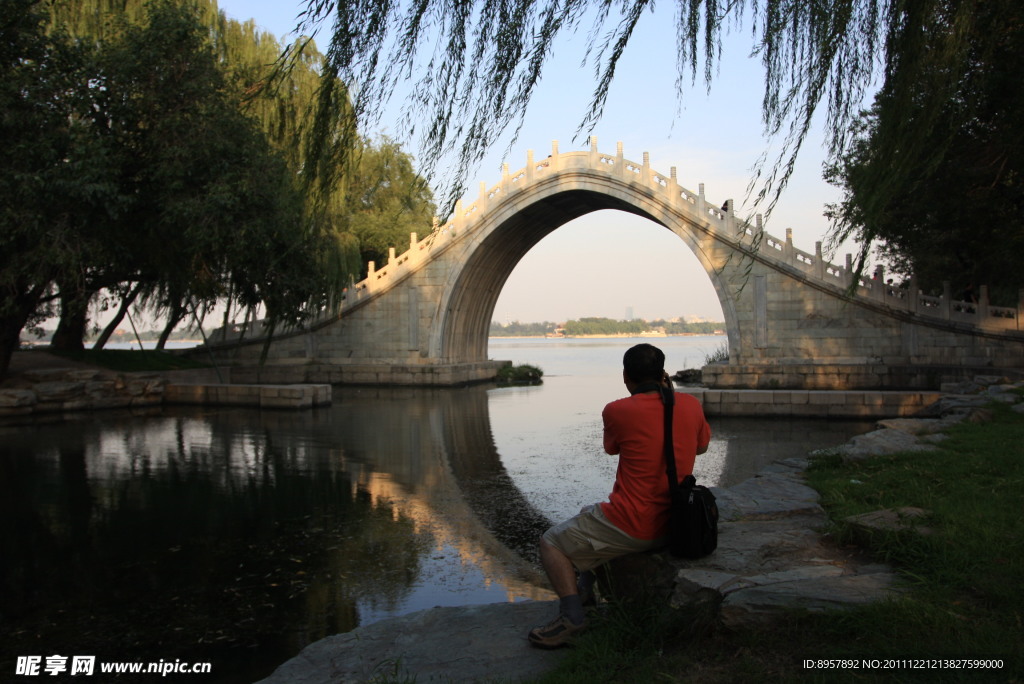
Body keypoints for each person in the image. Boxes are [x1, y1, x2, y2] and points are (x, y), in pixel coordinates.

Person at [528, 343, 711, 648]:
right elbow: (701, 446)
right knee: (590, 510)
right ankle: (585, 592)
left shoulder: (617, 410)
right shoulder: (691, 405)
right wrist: (671, 394)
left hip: (636, 525)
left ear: (626, 376)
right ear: (664, 374)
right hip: (677, 523)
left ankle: (572, 617)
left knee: (550, 542)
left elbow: (612, 448)